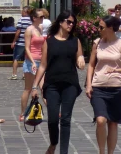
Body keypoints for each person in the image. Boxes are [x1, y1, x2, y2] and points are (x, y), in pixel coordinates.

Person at [31, 10, 84, 154]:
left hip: (70, 85)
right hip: (52, 85)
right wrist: (35, 86)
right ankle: (54, 143)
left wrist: (81, 60)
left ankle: (64, 152)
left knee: (66, 119)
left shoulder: (75, 41)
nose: (71, 25)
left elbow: (80, 58)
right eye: (69, 21)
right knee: (53, 119)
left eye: (73, 23)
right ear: (61, 22)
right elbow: (43, 65)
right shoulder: (49, 42)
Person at [86, 15, 121, 154]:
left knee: (113, 123)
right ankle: (102, 151)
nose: (98, 29)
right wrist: (88, 85)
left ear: (110, 28)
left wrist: (117, 70)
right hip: (98, 87)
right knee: (101, 120)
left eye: (101, 27)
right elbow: (91, 65)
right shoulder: (97, 43)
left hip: (117, 88)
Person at [20, 8, 46, 121]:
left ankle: (54, 111)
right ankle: (22, 113)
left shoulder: (40, 28)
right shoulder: (29, 30)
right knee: (28, 88)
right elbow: (27, 47)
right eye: (40, 17)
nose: (43, 18)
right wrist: (33, 62)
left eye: (43, 17)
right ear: (34, 18)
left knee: (44, 87)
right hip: (31, 61)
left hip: (41, 61)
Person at [10, 6, 31, 80]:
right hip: (29, 42)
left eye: (22, 11)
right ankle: (25, 74)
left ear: (25, 12)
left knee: (16, 58)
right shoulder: (32, 20)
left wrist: (14, 41)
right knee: (27, 58)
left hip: (20, 42)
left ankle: (14, 74)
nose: (21, 12)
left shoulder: (21, 19)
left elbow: (18, 31)